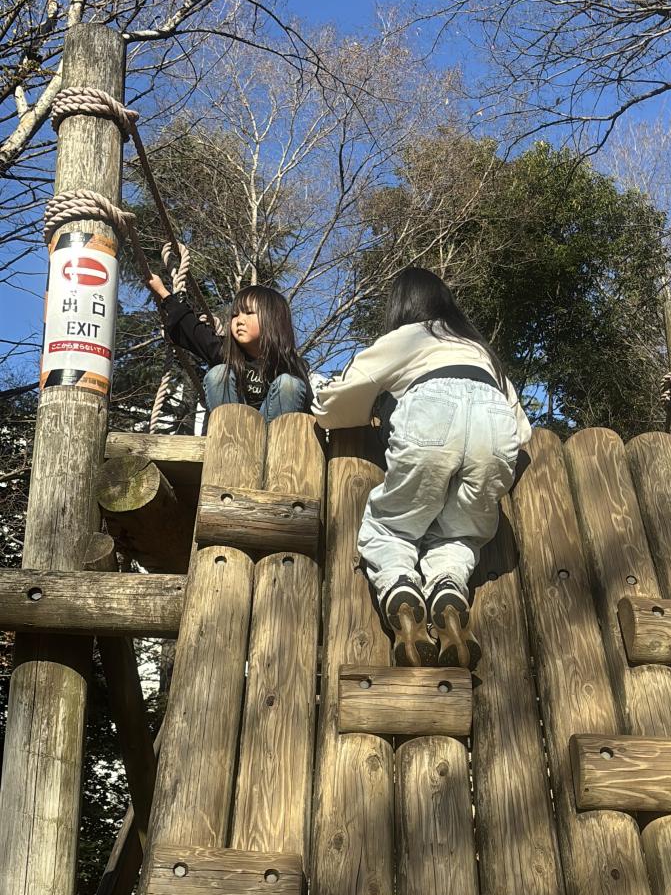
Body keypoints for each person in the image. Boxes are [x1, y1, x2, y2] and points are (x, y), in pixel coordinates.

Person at [312, 266, 531, 668]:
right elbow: (523, 431)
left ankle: (400, 586)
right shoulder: (480, 350)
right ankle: (448, 588)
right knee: (461, 533)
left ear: (401, 306)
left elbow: (337, 405)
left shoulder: (409, 336)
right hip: (496, 428)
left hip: (432, 414)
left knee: (393, 526)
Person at [147, 275, 310, 422]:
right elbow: (192, 330)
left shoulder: (290, 364)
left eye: (249, 313)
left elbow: (309, 408)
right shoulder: (224, 351)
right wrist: (163, 292)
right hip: (232, 432)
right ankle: (230, 436)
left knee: (290, 384)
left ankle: (272, 441)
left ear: (274, 321)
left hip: (272, 435)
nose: (239, 320)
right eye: (235, 315)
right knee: (219, 374)